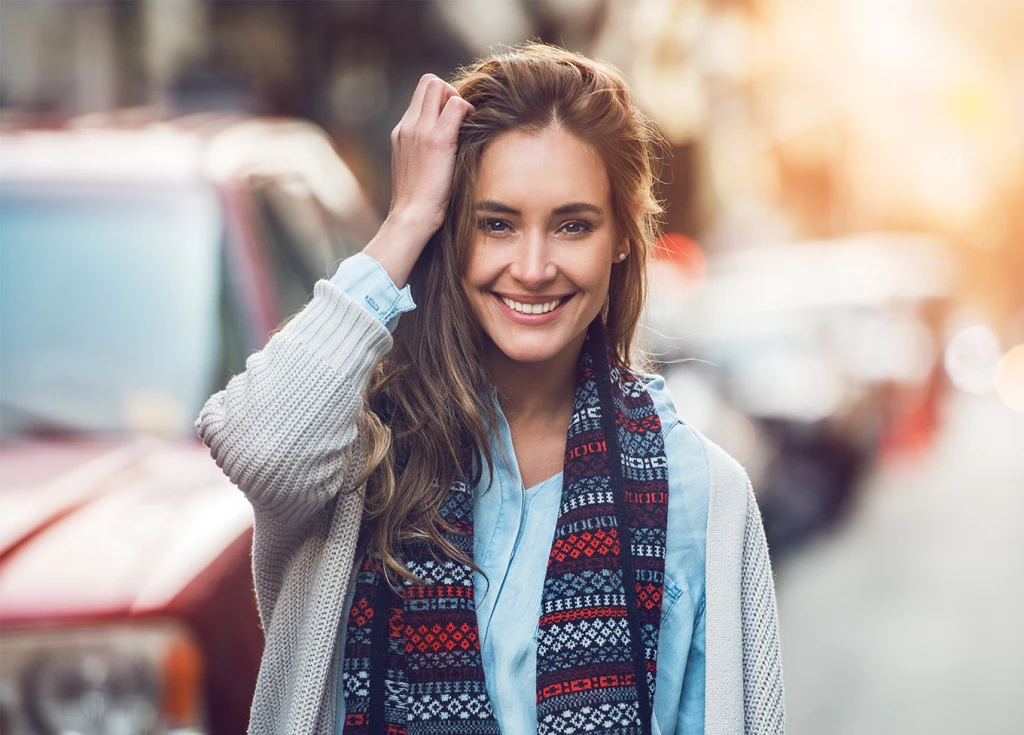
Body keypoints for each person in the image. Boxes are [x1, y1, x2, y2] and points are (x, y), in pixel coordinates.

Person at [195, 41, 784, 735]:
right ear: (453, 228)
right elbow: (256, 445)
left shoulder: (701, 491)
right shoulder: (355, 460)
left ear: (623, 237)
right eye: (496, 223)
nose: (532, 267)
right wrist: (407, 218)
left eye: (573, 225)